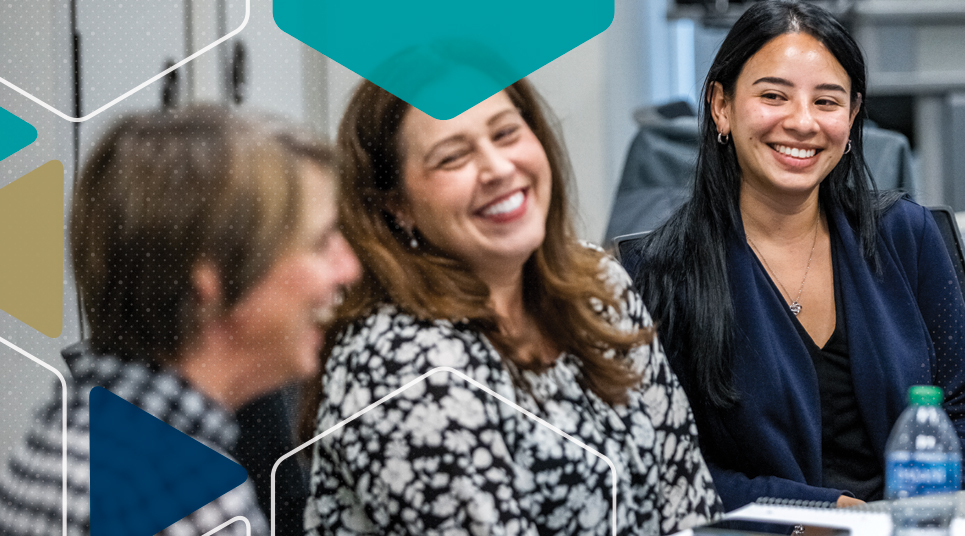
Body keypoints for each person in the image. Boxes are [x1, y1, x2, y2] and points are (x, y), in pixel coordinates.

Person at [300, 76, 722, 536]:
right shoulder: (398, 362)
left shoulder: (598, 286)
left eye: (506, 133)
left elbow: (688, 497)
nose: (498, 167)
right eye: (453, 156)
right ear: (397, 205)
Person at [632, 0, 965, 512]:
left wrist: (920, 509)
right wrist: (823, 512)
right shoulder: (663, 274)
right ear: (721, 106)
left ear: (853, 118)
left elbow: (959, 406)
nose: (802, 122)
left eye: (828, 102)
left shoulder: (907, 237)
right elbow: (669, 466)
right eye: (773, 96)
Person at [0, 106, 360, 535]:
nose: (349, 269)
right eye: (320, 244)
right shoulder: (191, 504)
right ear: (213, 282)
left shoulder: (71, 431)